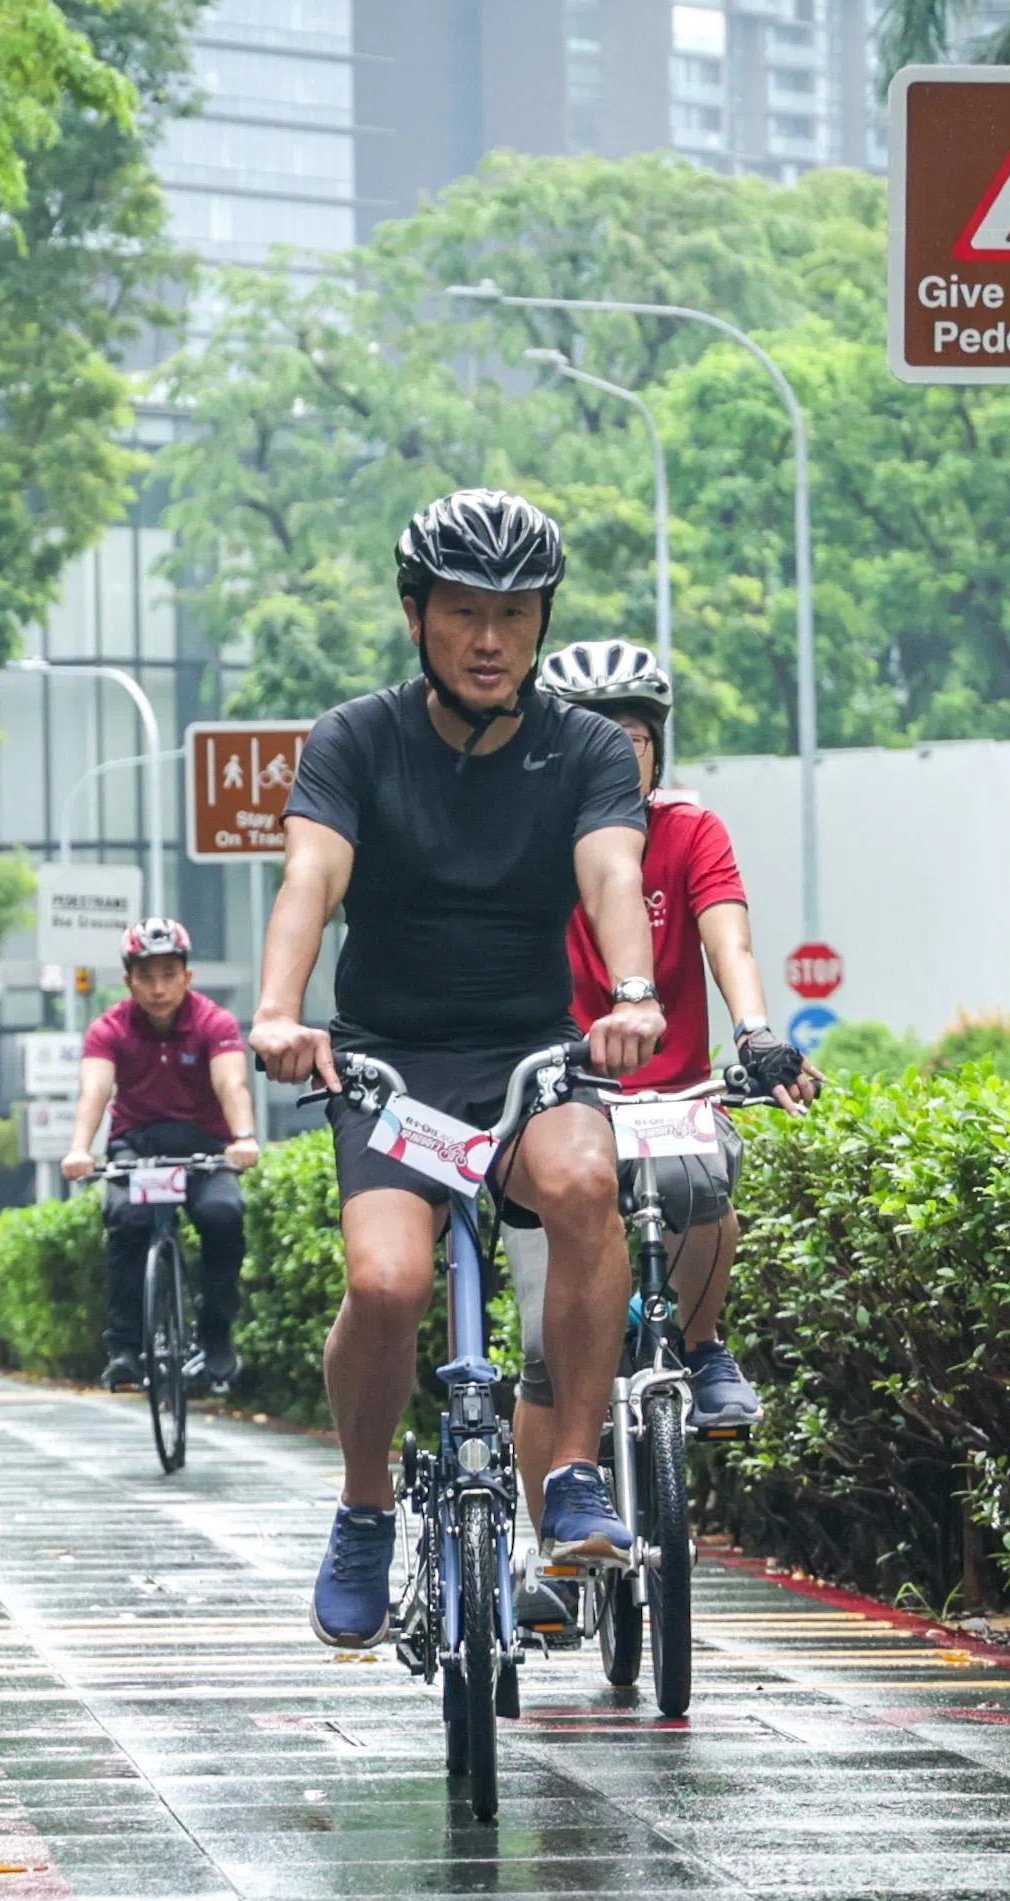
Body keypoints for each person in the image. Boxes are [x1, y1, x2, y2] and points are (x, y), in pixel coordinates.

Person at [247, 488, 668, 1650]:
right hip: (390, 1065)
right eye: (465, 613)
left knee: (585, 1185)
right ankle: (366, 1510)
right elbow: (309, 882)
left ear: (542, 622)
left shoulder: (584, 748)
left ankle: (575, 1478)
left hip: (534, 1060)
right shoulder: (355, 740)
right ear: (416, 616)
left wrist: (633, 998)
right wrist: (282, 1012)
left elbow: (614, 877)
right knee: (385, 1284)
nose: (491, 639)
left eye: (516, 615)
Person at [502, 642, 822, 1625]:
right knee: (545, 1353)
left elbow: (727, 934)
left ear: (657, 745)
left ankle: (704, 1341)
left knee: (704, 1170)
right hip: (556, 1107)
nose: (617, 754)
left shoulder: (689, 832)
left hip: (668, 1092)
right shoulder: (519, 840)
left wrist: (759, 1030)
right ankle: (555, 1554)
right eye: (595, 737)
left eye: (633, 737)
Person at [60, 917, 261, 1394]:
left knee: (223, 1214)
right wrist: (78, 1149)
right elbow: (94, 1090)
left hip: (205, 1148)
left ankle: (216, 1340)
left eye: (169, 974)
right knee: (126, 1223)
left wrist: (245, 1136)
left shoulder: (215, 1022)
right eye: (146, 976)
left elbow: (230, 1082)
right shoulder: (108, 1029)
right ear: (128, 981)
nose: (158, 988)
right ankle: (125, 1349)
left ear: (187, 976)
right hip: (138, 1147)